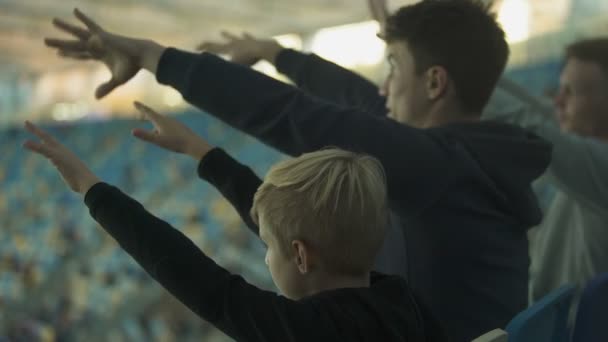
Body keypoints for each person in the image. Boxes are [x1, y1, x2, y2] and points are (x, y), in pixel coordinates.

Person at [44, 3, 552, 340]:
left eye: (394, 66)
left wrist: (155, 57)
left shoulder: (437, 167)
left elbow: (304, 116)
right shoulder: (475, 162)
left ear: (435, 83)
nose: (384, 86)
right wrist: (276, 54)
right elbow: (360, 106)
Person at [22, 107, 435, 341]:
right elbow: (293, 225)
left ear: (300, 256)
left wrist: (91, 189)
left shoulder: (303, 332)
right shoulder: (404, 305)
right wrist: (202, 152)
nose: (264, 250)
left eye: (268, 245)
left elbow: (200, 281)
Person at [485, 38, 608, 304]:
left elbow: (526, 123)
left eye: (571, 91)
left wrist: (451, 64)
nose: (557, 100)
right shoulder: (587, 155)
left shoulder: (600, 168)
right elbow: (533, 111)